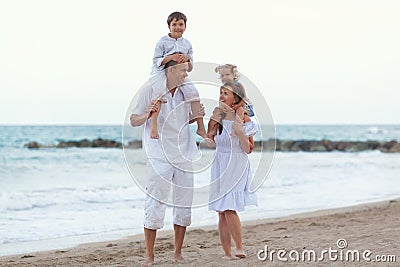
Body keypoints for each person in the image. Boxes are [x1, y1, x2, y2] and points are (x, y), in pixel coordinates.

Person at [130, 61, 204, 267]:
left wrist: (196, 117)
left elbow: (181, 120)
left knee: (184, 203)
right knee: (155, 202)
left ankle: (177, 253)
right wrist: (148, 114)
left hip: (184, 153)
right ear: (170, 70)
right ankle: (149, 256)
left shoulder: (186, 91)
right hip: (158, 155)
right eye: (182, 70)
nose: (186, 74)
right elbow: (134, 119)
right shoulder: (150, 88)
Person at [207, 81, 258, 260]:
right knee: (221, 210)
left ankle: (240, 247)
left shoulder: (245, 120)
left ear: (236, 98)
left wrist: (240, 132)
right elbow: (210, 141)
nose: (221, 96)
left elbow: (248, 149)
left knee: (229, 207)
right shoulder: (218, 118)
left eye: (225, 93)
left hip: (237, 164)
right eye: (220, 93)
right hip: (220, 164)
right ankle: (227, 253)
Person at [149, 11, 207, 140]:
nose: (177, 27)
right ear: (169, 26)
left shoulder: (187, 44)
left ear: (185, 26)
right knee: (159, 93)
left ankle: (201, 127)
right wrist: (171, 57)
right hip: (161, 72)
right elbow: (156, 60)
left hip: (180, 73)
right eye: (174, 24)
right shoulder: (162, 42)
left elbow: (190, 67)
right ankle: (154, 124)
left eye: (181, 24)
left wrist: (187, 58)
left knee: (194, 93)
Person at [207, 64, 254, 140]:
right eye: (222, 76)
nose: (225, 77)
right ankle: (214, 131)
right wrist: (221, 107)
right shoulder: (222, 87)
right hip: (229, 105)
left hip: (242, 104)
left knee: (240, 111)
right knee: (217, 111)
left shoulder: (238, 85)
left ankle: (237, 128)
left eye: (227, 75)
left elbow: (244, 98)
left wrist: (238, 105)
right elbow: (221, 99)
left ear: (234, 75)